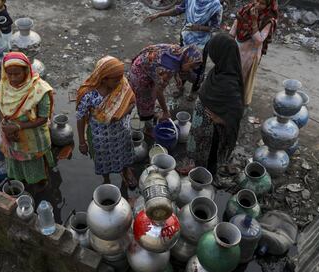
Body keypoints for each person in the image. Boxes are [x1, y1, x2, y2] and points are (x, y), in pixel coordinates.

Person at [186, 34, 244, 177]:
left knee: (209, 160)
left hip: (212, 134)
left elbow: (236, 112)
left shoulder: (229, 83)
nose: (211, 56)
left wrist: (221, 119)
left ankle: (206, 181)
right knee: (200, 157)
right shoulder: (219, 70)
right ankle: (198, 170)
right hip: (202, 128)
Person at [0, 52, 54, 191]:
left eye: (17, 74)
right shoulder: (4, 86)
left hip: (33, 138)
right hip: (11, 135)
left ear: (26, 71)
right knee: (16, 160)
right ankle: (23, 181)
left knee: (35, 164)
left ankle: (40, 182)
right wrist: (4, 126)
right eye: (9, 74)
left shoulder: (39, 89)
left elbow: (43, 118)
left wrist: (18, 126)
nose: (13, 78)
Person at [76, 56, 137, 187]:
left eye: (121, 77)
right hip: (100, 137)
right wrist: (82, 142)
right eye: (115, 80)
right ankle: (106, 180)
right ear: (104, 79)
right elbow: (80, 117)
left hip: (121, 131)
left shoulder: (121, 85)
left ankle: (126, 172)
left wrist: (122, 114)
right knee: (104, 159)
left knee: (124, 153)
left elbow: (132, 102)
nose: (120, 81)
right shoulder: (89, 94)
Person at [128, 44, 202, 133]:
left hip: (143, 62)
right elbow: (159, 91)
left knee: (151, 98)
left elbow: (175, 61)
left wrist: (176, 75)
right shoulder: (167, 69)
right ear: (186, 60)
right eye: (190, 67)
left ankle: (150, 114)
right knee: (146, 101)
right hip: (140, 75)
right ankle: (148, 126)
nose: (191, 70)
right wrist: (165, 111)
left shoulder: (178, 51)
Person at [229, 0, 278, 106]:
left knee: (243, 79)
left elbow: (258, 40)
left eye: (262, 3)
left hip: (251, 54)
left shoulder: (268, 20)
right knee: (231, 75)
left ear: (268, 5)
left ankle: (238, 103)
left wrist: (254, 21)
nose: (258, 5)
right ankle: (228, 97)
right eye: (257, 1)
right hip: (237, 48)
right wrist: (229, 42)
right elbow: (234, 28)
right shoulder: (245, 10)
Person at [147, 0, 223, 49]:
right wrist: (159, 14)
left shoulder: (215, 6)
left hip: (201, 44)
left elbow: (215, 28)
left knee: (196, 68)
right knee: (182, 64)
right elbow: (178, 10)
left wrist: (199, 27)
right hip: (185, 37)